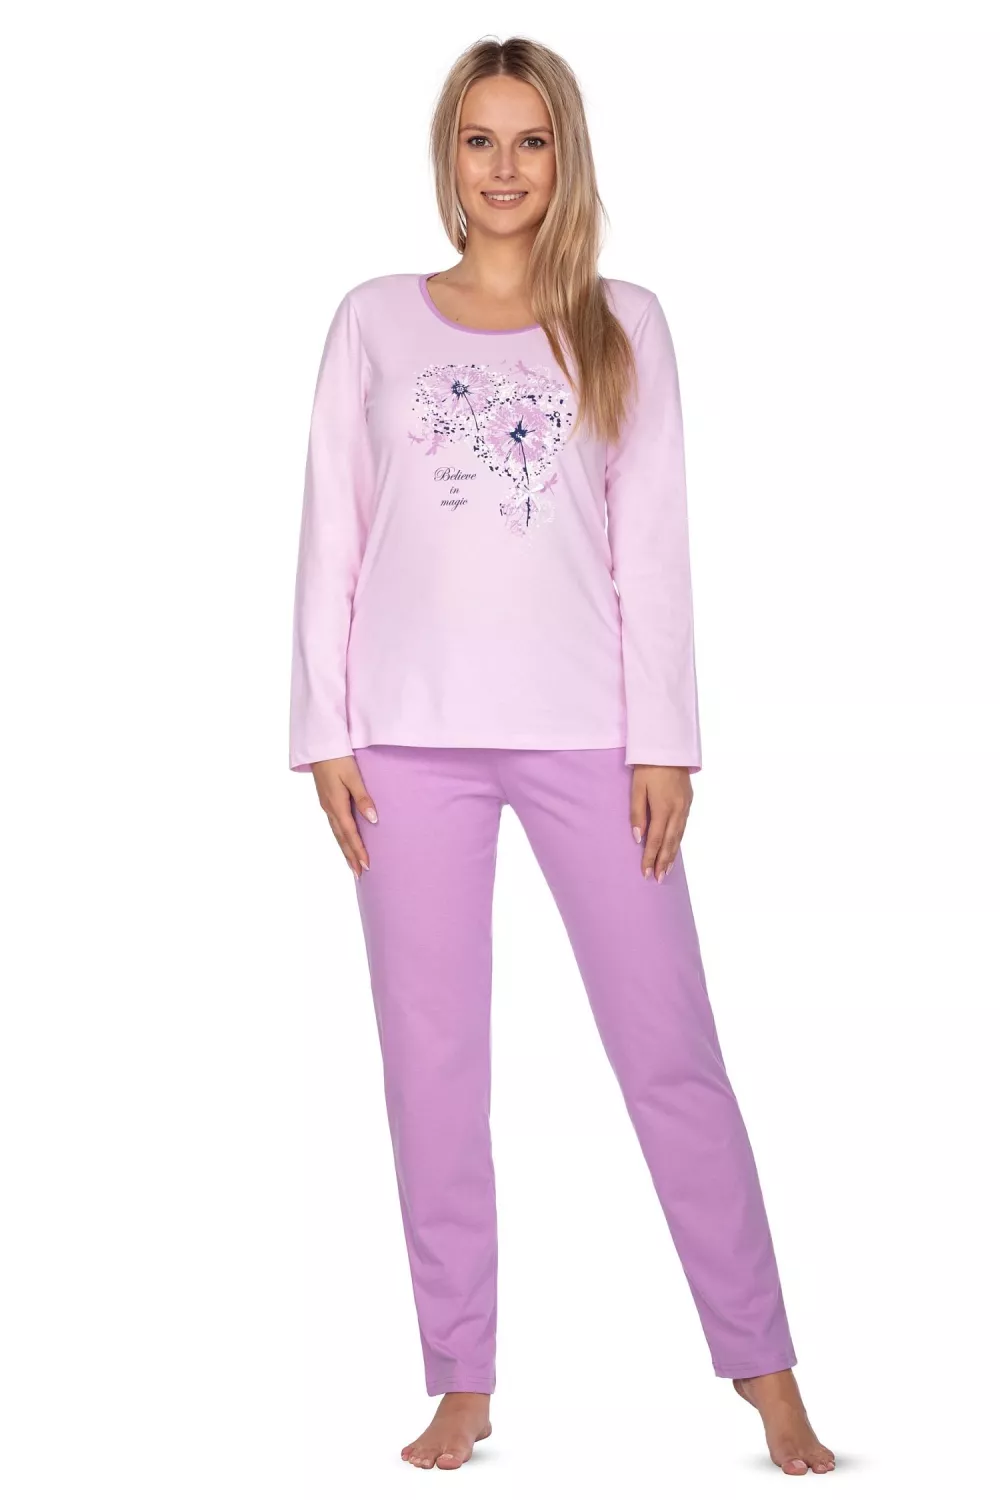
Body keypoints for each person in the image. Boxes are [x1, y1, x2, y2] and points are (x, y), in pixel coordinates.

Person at [289, 34, 834, 1478]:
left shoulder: (622, 322)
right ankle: (460, 1378)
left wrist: (667, 744)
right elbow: (333, 528)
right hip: (405, 740)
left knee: (671, 1051)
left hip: (592, 736)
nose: (505, 167)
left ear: (564, 155)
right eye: (480, 140)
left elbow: (653, 544)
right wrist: (322, 732)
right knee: (431, 1063)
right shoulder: (372, 320)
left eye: (530, 140)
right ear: (448, 156)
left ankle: (766, 1368)